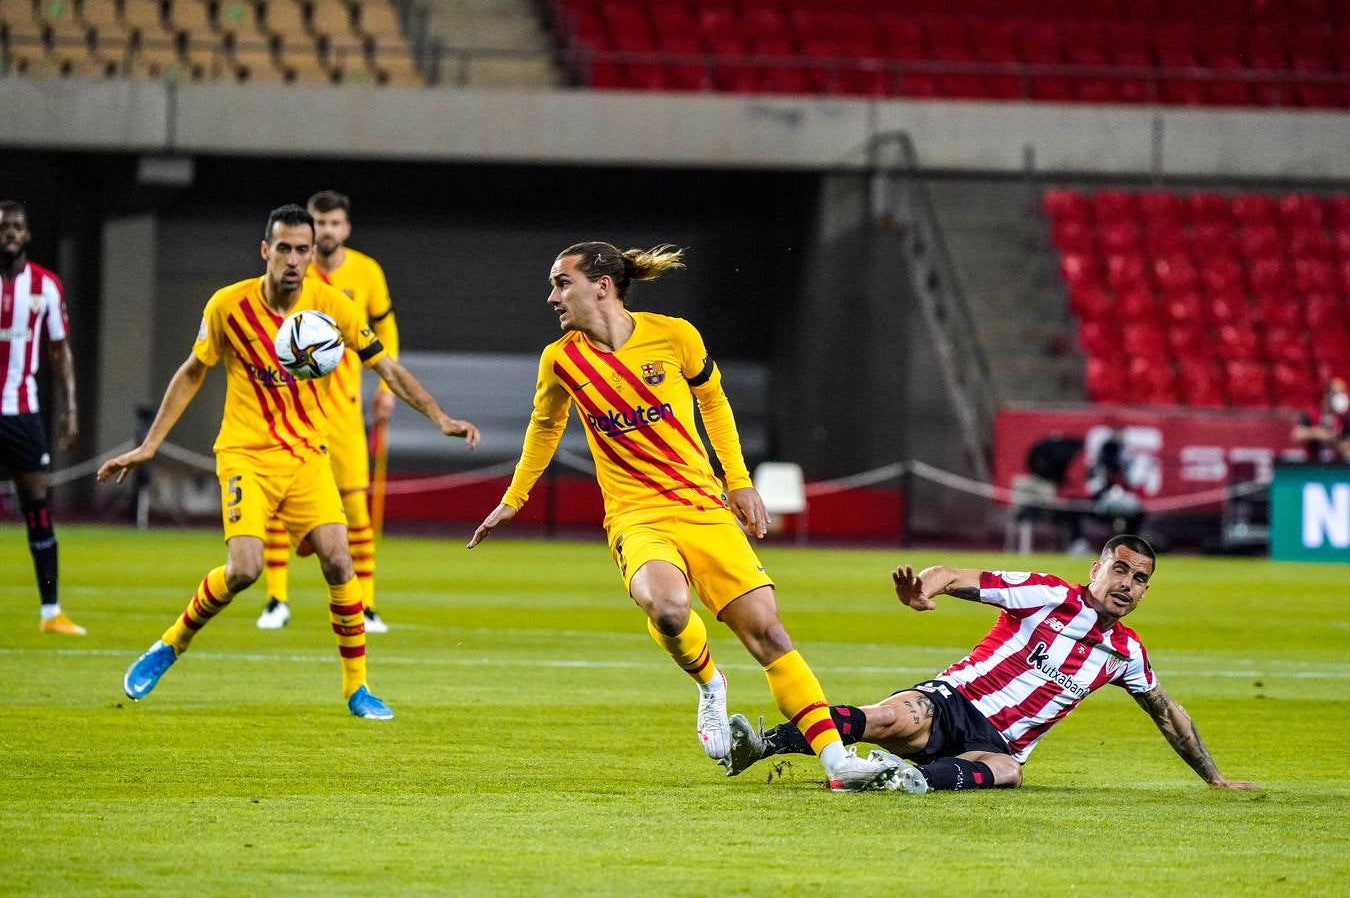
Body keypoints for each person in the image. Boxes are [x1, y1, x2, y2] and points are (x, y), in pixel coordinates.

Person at [467, 241, 897, 791]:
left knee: (767, 633)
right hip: (636, 516)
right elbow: (545, 428)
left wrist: (738, 482)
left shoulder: (675, 335)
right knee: (667, 608)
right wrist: (515, 497)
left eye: (561, 283)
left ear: (601, 285)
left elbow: (714, 403)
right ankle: (710, 685)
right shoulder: (561, 360)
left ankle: (838, 763)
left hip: (702, 508)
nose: (551, 296)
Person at [97, 204, 480, 719]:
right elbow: (192, 372)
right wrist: (149, 445)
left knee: (339, 560)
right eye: (285, 248)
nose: (295, 259)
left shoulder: (333, 308)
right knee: (244, 570)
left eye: (304, 249)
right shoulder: (228, 306)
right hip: (245, 456)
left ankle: (357, 689)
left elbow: (386, 367)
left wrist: (440, 417)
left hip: (305, 456)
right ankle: (171, 644)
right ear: (266, 251)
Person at [723, 534, 1260, 794]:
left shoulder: (1127, 654)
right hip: (952, 703)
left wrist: (1215, 779)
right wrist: (921, 591)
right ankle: (759, 747)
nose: (1127, 585)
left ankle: (895, 780)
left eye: (1140, 580)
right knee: (892, 719)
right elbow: (952, 573)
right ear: (1097, 569)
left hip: (997, 744)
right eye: (1120, 570)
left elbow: (1167, 714)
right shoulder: (1046, 594)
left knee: (1010, 773)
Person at [257, 190, 401, 634]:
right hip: (293, 408)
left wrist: (387, 386)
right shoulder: (293, 272)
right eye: (320, 224)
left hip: (343, 409)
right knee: (281, 507)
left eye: (335, 223)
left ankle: (367, 604)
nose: (327, 231)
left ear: (346, 228)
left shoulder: (367, 271)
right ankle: (276, 599)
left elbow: (385, 327)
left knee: (356, 511)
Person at [0, 200, 84, 635]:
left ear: (27, 234)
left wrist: (70, 405)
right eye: (4, 227)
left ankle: (51, 612)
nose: (10, 233)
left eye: (17, 226)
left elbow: (58, 350)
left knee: (37, 507)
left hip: (22, 412)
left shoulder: (46, 286)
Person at [1292, 377, 1349, 464]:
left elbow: (1346, 442)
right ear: (1327, 394)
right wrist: (1316, 433)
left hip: (1337, 466)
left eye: (1343, 393)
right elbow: (1297, 435)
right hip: (1313, 464)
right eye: (1337, 393)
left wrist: (1336, 442)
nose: (1341, 397)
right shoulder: (1311, 413)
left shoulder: (1345, 417)